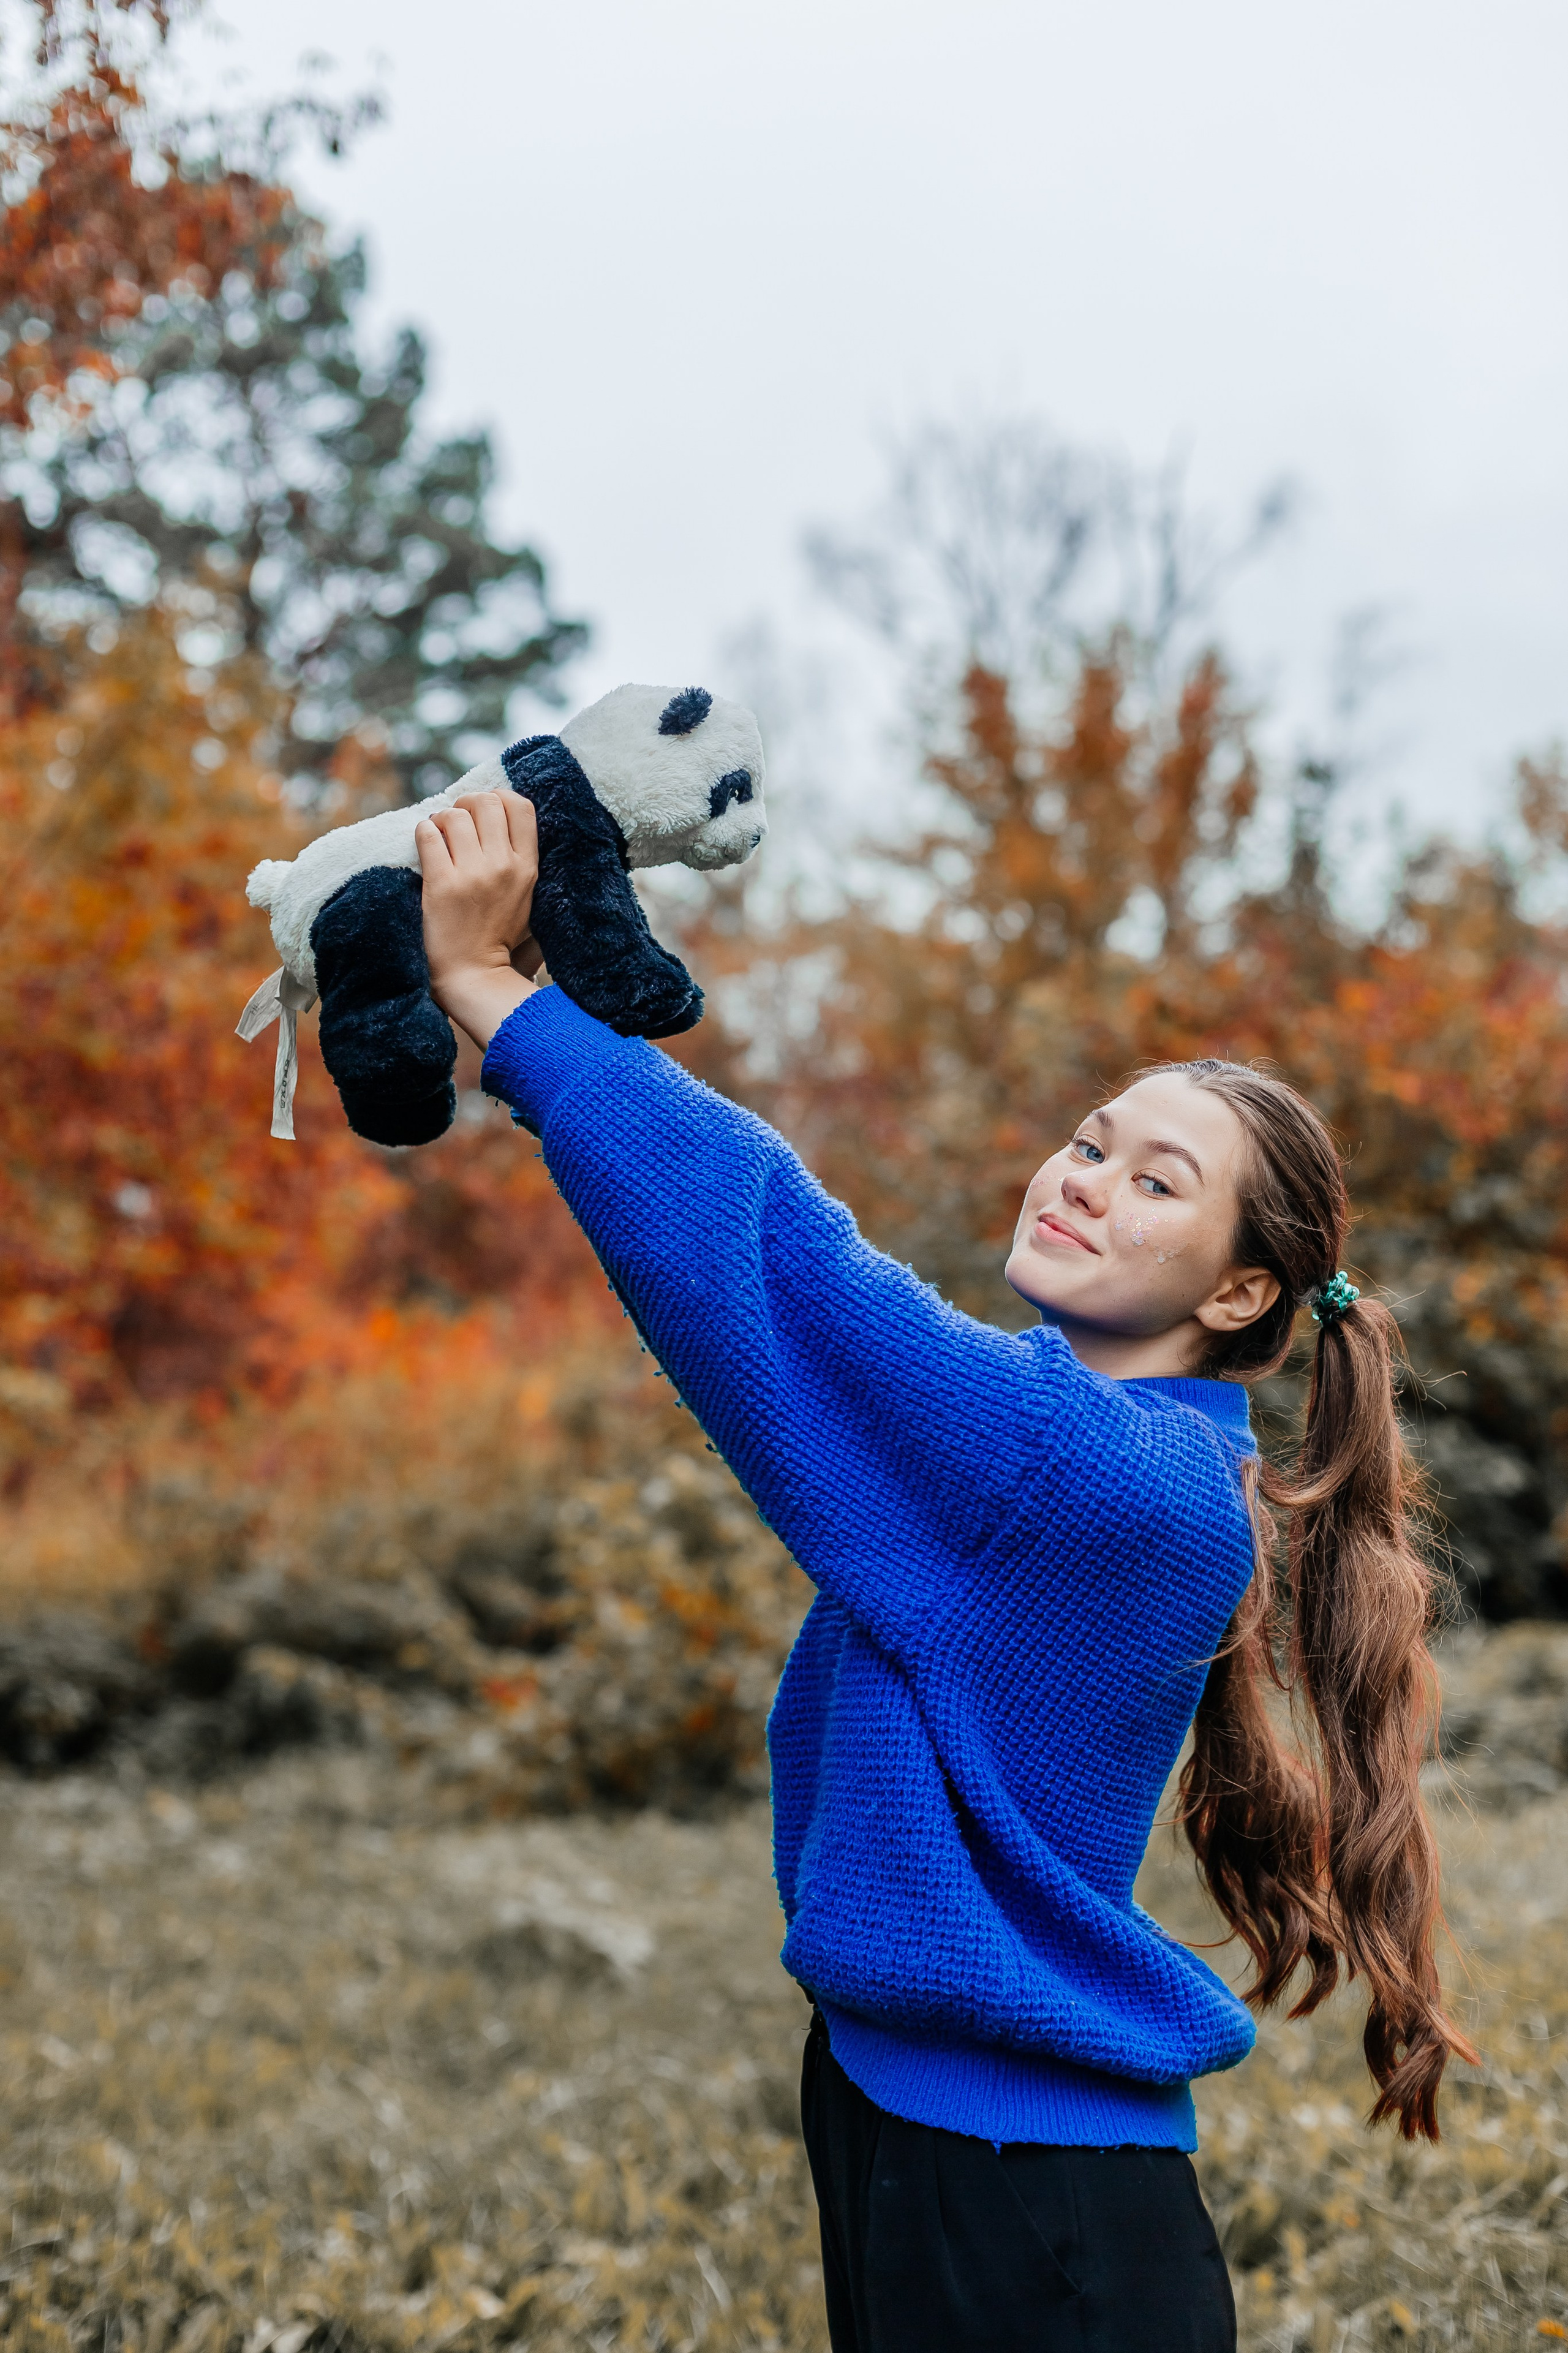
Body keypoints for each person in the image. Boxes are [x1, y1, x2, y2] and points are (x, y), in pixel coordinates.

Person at [413, 785, 1477, 2353]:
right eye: (1091, 1139)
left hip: (1024, 2201)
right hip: (924, 2122)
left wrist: (494, 995)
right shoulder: (1112, 1457)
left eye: (1155, 1181)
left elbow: (776, 1259)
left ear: (1239, 1291)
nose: (1082, 1175)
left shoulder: (1088, 1469)